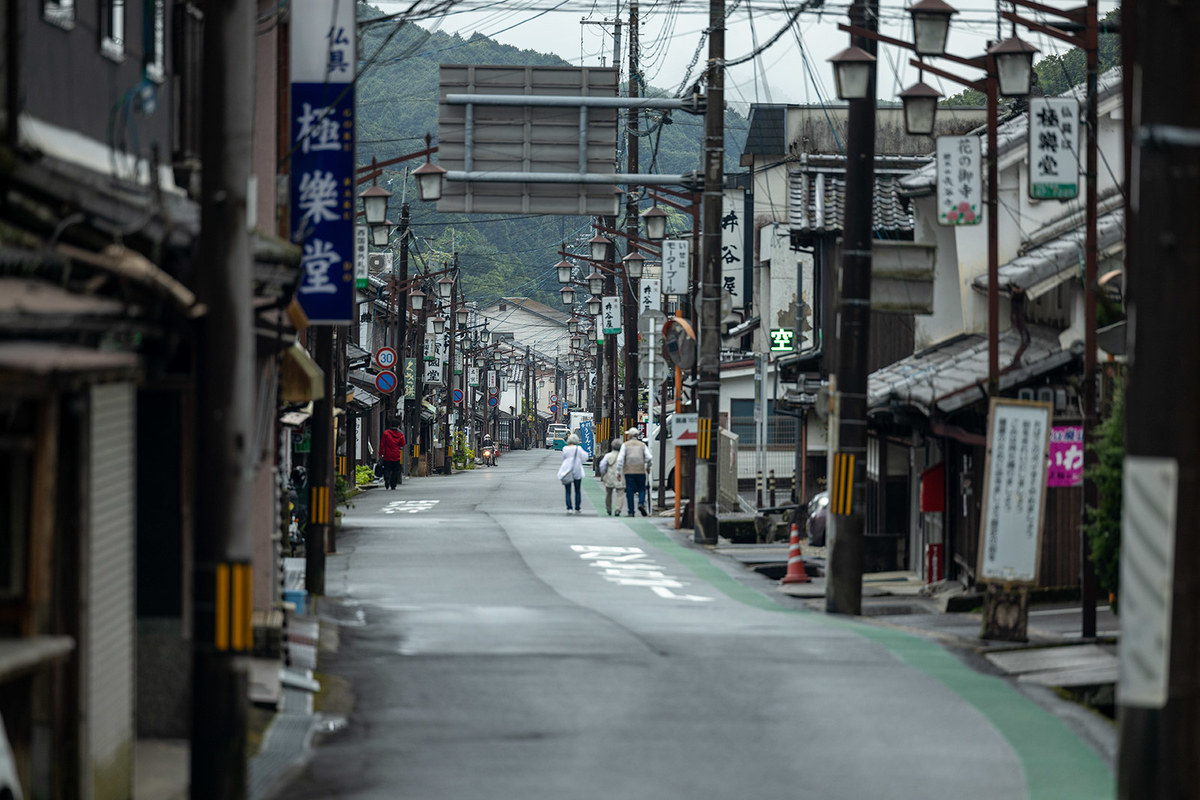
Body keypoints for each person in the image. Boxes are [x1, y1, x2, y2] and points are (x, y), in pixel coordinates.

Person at [615, 427, 652, 517]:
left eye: (628, 435)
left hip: (629, 471)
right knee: (642, 489)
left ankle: (631, 511)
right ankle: (641, 503)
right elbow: (649, 458)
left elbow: (620, 459)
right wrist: (648, 467)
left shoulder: (625, 445)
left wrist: (618, 471)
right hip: (640, 470)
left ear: (630, 436)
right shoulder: (642, 445)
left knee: (630, 491)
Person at [557, 433, 587, 514]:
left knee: (568, 490)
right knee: (577, 490)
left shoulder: (565, 449)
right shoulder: (579, 449)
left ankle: (569, 507)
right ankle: (577, 507)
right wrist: (579, 462)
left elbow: (563, 459)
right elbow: (585, 457)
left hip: (567, 471)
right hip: (577, 470)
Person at [599, 438, 623, 515]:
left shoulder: (608, 455)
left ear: (612, 446)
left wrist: (604, 473)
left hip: (609, 475)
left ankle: (609, 509)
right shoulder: (622, 456)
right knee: (620, 493)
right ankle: (618, 509)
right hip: (620, 476)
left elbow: (602, 465)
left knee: (608, 493)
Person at [380, 422, 406, 490]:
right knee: (395, 470)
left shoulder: (386, 433)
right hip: (396, 455)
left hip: (387, 454)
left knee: (387, 468)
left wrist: (380, 453)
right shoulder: (400, 434)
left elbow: (382, 444)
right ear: (398, 426)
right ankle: (393, 484)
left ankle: (387, 477)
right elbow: (403, 444)